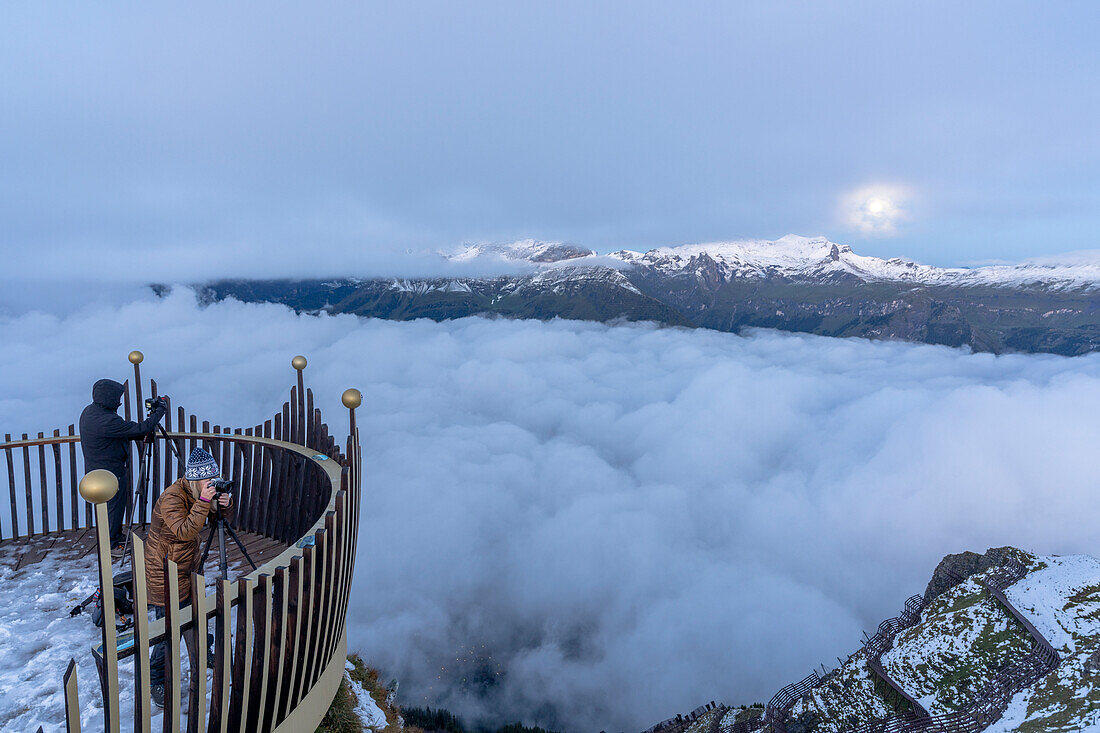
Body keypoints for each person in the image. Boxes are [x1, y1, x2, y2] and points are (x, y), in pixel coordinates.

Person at [145, 447, 233, 708]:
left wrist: (223, 506)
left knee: (196, 615)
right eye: (209, 482)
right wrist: (205, 502)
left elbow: (212, 517)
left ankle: (203, 654)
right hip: (163, 573)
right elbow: (184, 531)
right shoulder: (171, 498)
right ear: (195, 481)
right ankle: (157, 680)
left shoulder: (197, 492)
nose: (212, 485)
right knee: (167, 633)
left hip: (187, 568)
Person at [79, 379, 168, 553]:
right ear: (109, 398)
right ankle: (112, 545)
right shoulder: (105, 420)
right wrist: (160, 410)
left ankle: (115, 535)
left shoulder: (90, 412)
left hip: (99, 469)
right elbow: (142, 428)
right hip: (109, 471)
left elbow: (118, 433)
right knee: (113, 506)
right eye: (117, 397)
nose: (119, 401)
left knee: (115, 505)